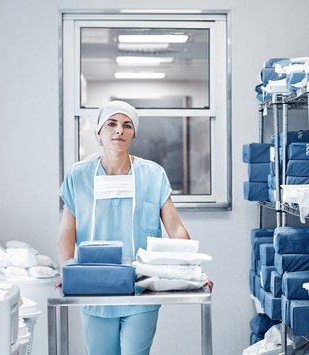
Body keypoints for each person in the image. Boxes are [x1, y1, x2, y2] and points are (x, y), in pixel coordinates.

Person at [55, 100, 213, 355]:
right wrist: (68, 271)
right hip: (95, 288)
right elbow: (67, 233)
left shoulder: (153, 174)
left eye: (127, 125)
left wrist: (191, 272)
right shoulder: (78, 175)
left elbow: (176, 229)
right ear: (99, 131)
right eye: (112, 124)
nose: (119, 130)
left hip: (141, 287)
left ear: (134, 134)